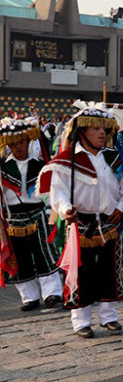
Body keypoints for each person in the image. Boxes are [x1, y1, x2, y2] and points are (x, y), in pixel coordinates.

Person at [39, 101, 123, 338]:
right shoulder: (67, 160)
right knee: (82, 273)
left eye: (105, 128)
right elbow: (57, 192)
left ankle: (109, 316)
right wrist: (65, 208)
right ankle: (81, 321)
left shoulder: (114, 158)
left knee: (109, 269)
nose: (102, 133)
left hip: (110, 223)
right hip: (81, 224)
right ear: (82, 131)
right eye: (95, 128)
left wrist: (121, 206)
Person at [0, 117, 62, 312]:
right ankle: (29, 296)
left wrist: (53, 216)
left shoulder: (41, 165)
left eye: (22, 142)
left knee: (45, 253)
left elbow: (53, 192)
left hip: (38, 214)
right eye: (13, 143)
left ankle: (52, 293)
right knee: (20, 257)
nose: (18, 147)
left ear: (29, 142)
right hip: (13, 218)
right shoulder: (3, 167)